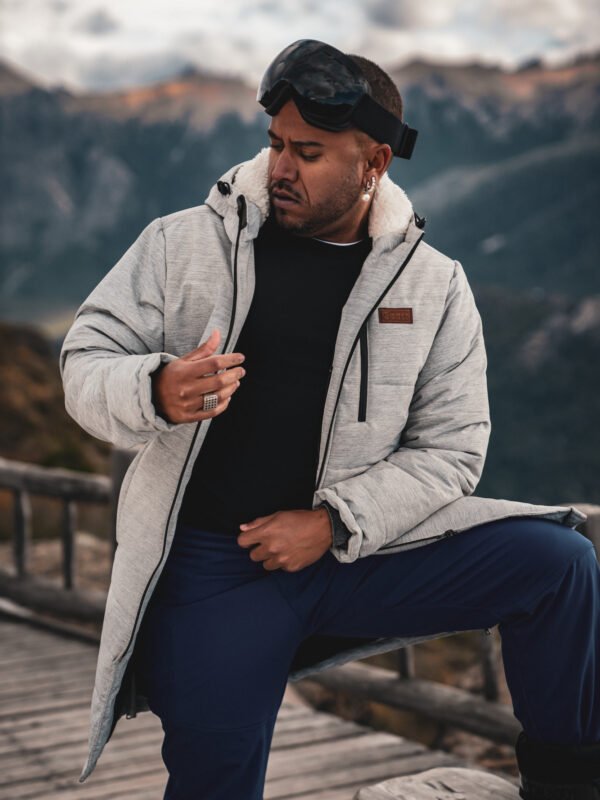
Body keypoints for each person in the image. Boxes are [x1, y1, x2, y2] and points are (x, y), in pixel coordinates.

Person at [60, 39, 599, 799]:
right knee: (214, 779)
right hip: (221, 567)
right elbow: (84, 360)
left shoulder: (434, 285)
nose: (280, 166)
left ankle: (566, 787)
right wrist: (153, 388)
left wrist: (335, 523)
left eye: (308, 153)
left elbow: (452, 450)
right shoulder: (182, 244)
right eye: (276, 143)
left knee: (560, 564)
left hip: (360, 552)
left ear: (373, 163)